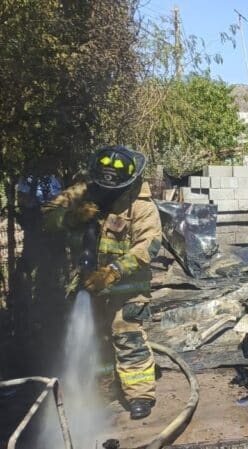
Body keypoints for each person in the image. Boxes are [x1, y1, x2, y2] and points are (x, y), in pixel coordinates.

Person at [42, 146, 162, 419]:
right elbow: (47, 215)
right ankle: (104, 389)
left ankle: (140, 395)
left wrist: (112, 272)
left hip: (128, 285)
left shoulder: (141, 206)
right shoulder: (83, 191)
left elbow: (148, 247)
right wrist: (71, 217)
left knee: (126, 335)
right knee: (98, 337)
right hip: (88, 280)